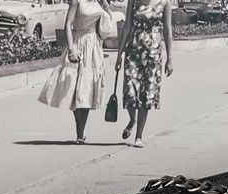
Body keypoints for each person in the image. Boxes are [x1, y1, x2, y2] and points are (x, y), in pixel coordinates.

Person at [38, 0, 110, 144]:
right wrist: (71, 49)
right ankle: (79, 130)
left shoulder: (99, 2)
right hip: (78, 43)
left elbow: (106, 29)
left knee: (87, 89)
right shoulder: (76, 1)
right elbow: (68, 25)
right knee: (74, 89)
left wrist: (106, 8)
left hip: (93, 46)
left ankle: (81, 132)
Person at [116, 0, 173, 148]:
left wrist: (170, 59)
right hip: (133, 51)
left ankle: (139, 135)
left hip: (153, 54)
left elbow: (167, 30)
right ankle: (132, 119)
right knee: (129, 90)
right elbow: (127, 26)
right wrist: (119, 54)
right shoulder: (133, 1)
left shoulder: (165, 2)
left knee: (147, 94)